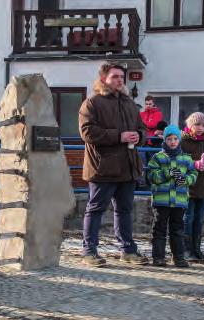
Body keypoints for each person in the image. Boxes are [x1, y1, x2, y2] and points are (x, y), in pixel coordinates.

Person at [78, 62, 148, 267]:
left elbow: (143, 129)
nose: (120, 80)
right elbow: (87, 133)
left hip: (127, 166)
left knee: (124, 210)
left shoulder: (129, 103)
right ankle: (89, 251)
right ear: (103, 79)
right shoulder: (92, 103)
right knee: (95, 209)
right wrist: (119, 136)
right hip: (103, 167)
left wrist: (139, 136)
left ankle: (128, 250)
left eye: (121, 77)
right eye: (115, 76)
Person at [147, 125, 196, 267]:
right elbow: (152, 176)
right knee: (159, 229)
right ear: (165, 140)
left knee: (177, 230)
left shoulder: (186, 159)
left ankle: (179, 257)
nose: (172, 142)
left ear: (179, 140)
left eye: (175, 139)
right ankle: (158, 257)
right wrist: (167, 173)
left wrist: (185, 180)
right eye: (169, 139)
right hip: (161, 201)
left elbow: (193, 175)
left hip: (179, 201)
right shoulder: (157, 158)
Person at [181, 112, 204, 260]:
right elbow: (177, 162)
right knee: (188, 218)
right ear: (190, 125)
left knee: (199, 218)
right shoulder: (182, 141)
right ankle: (186, 250)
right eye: (197, 124)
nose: (201, 128)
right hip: (189, 186)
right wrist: (195, 163)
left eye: (203, 125)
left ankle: (197, 249)